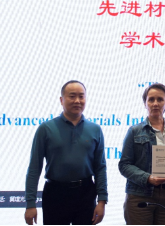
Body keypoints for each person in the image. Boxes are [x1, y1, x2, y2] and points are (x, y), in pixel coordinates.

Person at [24, 81, 107, 225]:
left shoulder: (95, 129)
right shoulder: (46, 129)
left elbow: (100, 168)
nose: (77, 101)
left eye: (81, 96)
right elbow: (34, 168)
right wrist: (30, 204)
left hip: (86, 193)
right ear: (61, 100)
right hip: (55, 193)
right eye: (72, 96)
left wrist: (102, 201)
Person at [119, 83, 165, 225]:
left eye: (160, 99)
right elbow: (124, 165)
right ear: (145, 103)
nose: (155, 103)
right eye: (151, 99)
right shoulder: (134, 131)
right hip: (140, 195)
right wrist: (148, 178)